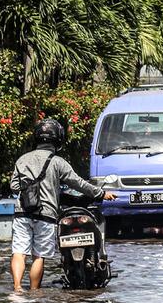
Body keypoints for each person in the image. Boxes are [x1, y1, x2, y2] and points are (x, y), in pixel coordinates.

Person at [8, 119, 115, 292]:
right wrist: (101, 193)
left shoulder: (22, 160)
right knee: (38, 256)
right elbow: (78, 183)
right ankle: (35, 292)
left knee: (19, 252)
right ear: (58, 139)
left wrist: (29, 185)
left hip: (23, 212)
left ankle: (18, 289)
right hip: (47, 214)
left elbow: (13, 186)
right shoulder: (58, 162)